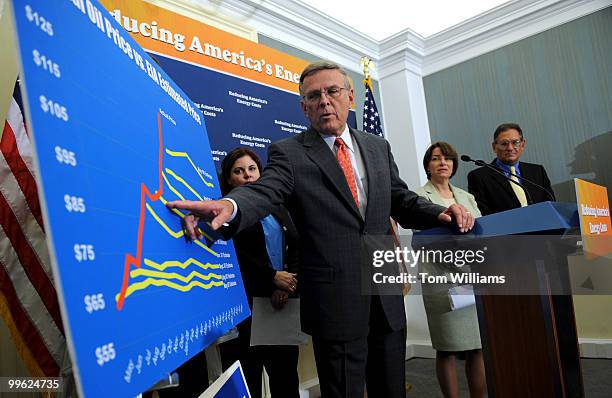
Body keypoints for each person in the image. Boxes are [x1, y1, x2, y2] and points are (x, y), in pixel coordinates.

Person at [167, 61, 474, 398]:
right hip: (335, 303)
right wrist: (232, 206)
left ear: (350, 96)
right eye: (314, 96)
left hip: (385, 299)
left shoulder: (377, 147)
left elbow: (399, 199)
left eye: (333, 91)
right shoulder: (290, 153)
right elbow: (266, 190)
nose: (325, 101)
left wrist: (441, 213)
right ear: (304, 107)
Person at [201, 147, 300, 398]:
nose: (247, 175)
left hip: (281, 304)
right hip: (246, 309)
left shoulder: (279, 207)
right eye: (239, 171)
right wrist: (270, 279)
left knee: (285, 377)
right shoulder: (226, 214)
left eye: (252, 169)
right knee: (249, 379)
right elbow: (232, 257)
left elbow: (297, 245)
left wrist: (284, 285)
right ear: (229, 179)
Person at [414, 142, 486, 398]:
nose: (442, 162)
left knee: (477, 346)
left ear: (454, 164)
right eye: (435, 159)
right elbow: (422, 240)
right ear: (428, 166)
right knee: (447, 348)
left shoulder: (467, 197)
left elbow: (482, 234)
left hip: (472, 278)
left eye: (447, 158)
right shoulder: (419, 198)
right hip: (442, 280)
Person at [467, 123, 555, 215]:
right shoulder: (479, 177)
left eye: (515, 142)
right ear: (494, 147)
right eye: (504, 143)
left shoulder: (537, 171)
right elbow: (483, 213)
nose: (510, 148)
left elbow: (551, 205)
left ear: (522, 144)